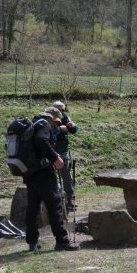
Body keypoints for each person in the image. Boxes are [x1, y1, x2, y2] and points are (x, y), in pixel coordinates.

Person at [24, 107, 80, 252]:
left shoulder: (33, 123)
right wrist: (55, 158)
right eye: (56, 122)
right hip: (43, 172)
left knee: (33, 207)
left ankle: (32, 241)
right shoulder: (45, 125)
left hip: (30, 172)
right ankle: (62, 241)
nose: (55, 125)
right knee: (54, 204)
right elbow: (41, 141)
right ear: (52, 119)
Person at [52, 100, 78, 211]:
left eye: (63, 109)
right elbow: (48, 132)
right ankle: (55, 201)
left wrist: (73, 127)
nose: (62, 111)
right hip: (50, 152)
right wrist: (59, 129)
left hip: (63, 151)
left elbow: (73, 130)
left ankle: (69, 200)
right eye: (59, 109)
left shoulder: (65, 117)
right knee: (52, 178)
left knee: (66, 176)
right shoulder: (48, 119)